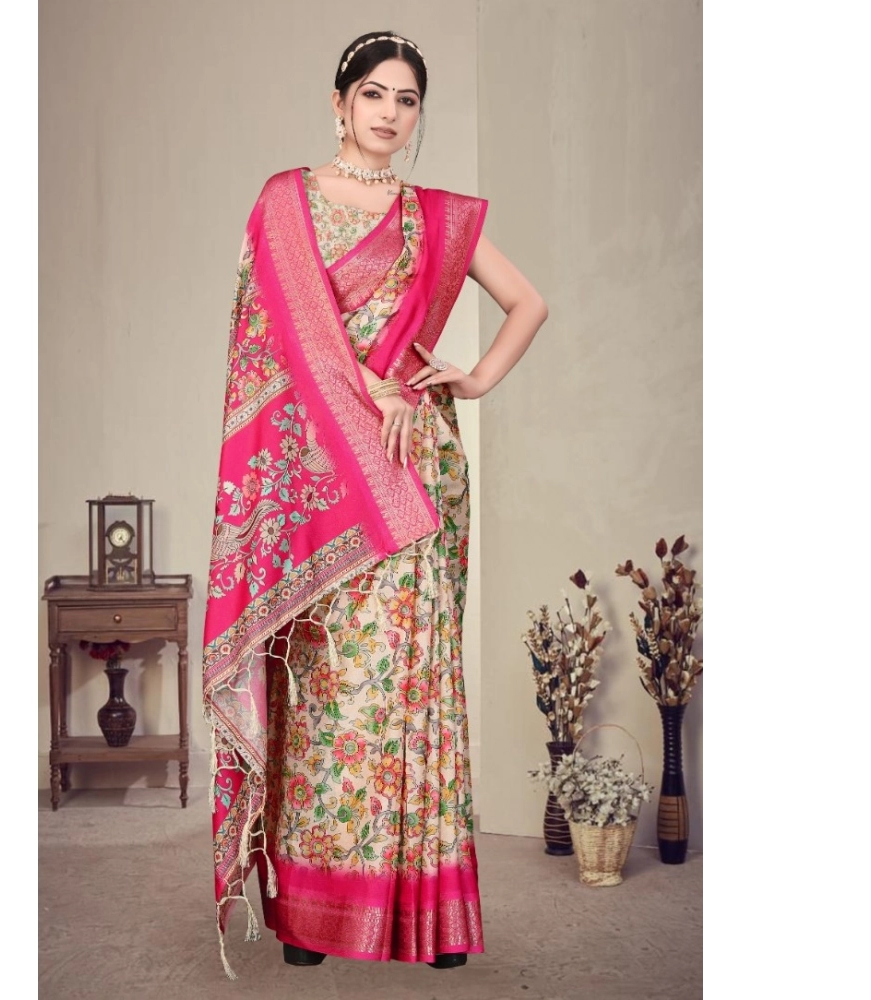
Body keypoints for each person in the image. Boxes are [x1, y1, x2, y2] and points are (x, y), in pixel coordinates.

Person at [202, 30, 548, 980]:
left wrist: (471, 379)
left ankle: (430, 918)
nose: (390, 113)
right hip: (328, 479)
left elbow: (528, 302)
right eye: (374, 94)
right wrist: (371, 391)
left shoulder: (435, 218)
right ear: (339, 101)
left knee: (415, 682)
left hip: (415, 469)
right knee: (329, 689)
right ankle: (314, 917)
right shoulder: (287, 201)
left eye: (407, 99)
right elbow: (282, 339)